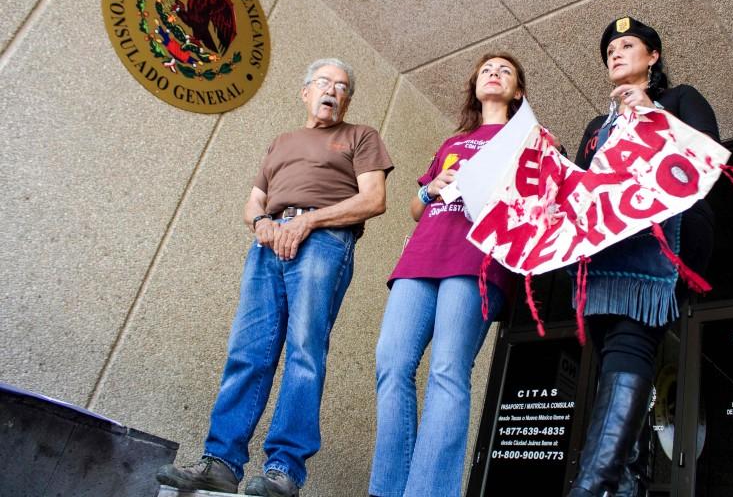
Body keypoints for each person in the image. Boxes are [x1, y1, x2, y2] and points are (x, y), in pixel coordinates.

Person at [157, 58, 394, 497]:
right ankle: (221, 462)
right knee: (248, 351)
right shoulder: (281, 142)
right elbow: (254, 202)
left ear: (348, 99)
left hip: (324, 241)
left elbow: (373, 199)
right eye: (324, 82)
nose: (332, 90)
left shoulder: (361, 136)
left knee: (304, 351)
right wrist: (263, 224)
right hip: (268, 242)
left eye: (342, 86)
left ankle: (284, 469)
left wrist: (308, 222)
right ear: (305, 92)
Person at [568, 17, 719, 497]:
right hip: (602, 257)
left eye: (628, 45)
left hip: (656, 248)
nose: (616, 52)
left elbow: (706, 156)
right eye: (610, 48)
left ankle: (593, 485)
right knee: (615, 355)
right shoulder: (597, 126)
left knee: (630, 346)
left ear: (653, 56)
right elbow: (582, 190)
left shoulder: (680, 100)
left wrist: (652, 111)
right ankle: (625, 482)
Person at [368, 53, 527, 497]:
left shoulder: (528, 138)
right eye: (486, 70)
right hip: (421, 260)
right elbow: (418, 210)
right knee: (391, 364)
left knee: (447, 370)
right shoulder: (453, 142)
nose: (493, 73)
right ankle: (388, 489)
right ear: (475, 85)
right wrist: (428, 187)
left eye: (505, 71)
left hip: (477, 261)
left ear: (517, 92)